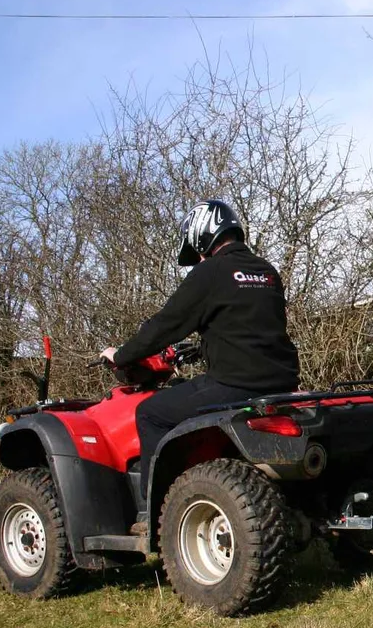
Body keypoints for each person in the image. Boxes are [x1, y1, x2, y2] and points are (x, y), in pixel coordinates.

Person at [100, 199, 300, 505]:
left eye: (197, 253)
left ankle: (157, 509)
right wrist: (202, 346)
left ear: (202, 236)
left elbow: (165, 325)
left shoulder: (211, 272)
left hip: (234, 385)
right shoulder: (266, 271)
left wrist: (122, 354)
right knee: (182, 390)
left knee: (150, 413)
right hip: (281, 384)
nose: (198, 259)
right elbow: (247, 325)